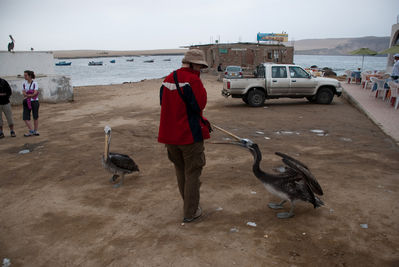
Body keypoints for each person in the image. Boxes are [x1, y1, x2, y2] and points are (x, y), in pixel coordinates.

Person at [158, 49, 211, 223]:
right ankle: (190, 212)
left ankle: (188, 205)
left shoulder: (167, 79)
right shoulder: (193, 80)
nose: (200, 70)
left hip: (169, 136)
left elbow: (163, 103)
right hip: (188, 136)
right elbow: (200, 104)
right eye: (199, 66)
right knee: (193, 173)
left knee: (181, 171)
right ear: (192, 64)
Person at [22, 70, 40, 137]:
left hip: (33, 101)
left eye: (26, 75)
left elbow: (34, 93)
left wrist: (27, 95)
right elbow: (24, 92)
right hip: (29, 101)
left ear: (30, 76)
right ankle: (32, 130)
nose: (25, 76)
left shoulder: (35, 83)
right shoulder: (24, 83)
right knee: (25, 117)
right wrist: (30, 95)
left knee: (35, 116)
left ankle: (34, 130)